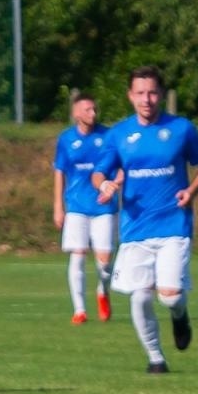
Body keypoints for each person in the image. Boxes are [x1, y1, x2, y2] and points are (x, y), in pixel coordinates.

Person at [91, 66, 198, 374]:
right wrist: (104, 184)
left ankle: (179, 315)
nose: (147, 99)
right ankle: (156, 358)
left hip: (174, 224)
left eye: (152, 92)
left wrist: (192, 190)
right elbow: (98, 172)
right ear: (130, 96)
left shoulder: (181, 129)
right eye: (140, 93)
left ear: (161, 94)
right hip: (136, 229)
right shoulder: (118, 134)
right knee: (140, 297)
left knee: (170, 297)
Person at [53, 91, 115, 325]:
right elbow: (59, 172)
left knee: (105, 261)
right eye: (88, 109)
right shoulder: (66, 139)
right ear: (76, 113)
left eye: (95, 109)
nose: (93, 113)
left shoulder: (107, 136)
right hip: (76, 207)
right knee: (77, 257)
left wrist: (115, 184)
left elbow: (120, 164)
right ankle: (80, 310)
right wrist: (58, 206)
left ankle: (102, 291)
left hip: (103, 206)